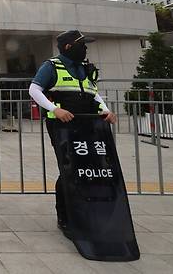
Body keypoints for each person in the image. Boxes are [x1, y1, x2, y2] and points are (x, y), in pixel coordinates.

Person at [28, 30, 116, 234]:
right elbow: (34, 89)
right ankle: (65, 217)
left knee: (91, 167)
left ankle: (89, 211)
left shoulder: (87, 69)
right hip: (62, 127)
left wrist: (106, 111)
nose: (85, 49)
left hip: (89, 125)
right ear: (68, 46)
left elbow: (93, 94)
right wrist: (55, 110)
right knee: (69, 168)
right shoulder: (52, 66)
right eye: (82, 45)